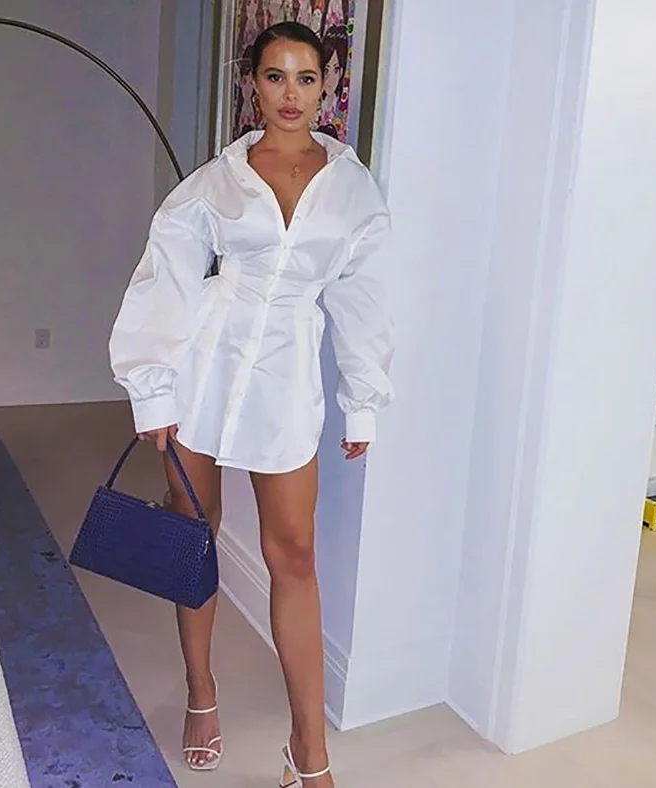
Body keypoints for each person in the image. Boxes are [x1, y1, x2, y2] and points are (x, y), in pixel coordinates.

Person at [108, 20, 394, 787]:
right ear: (252, 84)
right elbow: (165, 276)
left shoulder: (353, 189)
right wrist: (152, 388)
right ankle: (201, 691)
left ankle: (309, 751)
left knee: (293, 556)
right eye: (275, 76)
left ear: (327, 85)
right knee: (192, 533)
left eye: (306, 77)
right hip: (204, 367)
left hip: (286, 381)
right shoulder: (218, 180)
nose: (290, 93)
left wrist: (361, 401)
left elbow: (365, 300)